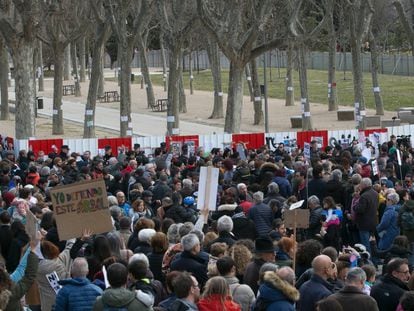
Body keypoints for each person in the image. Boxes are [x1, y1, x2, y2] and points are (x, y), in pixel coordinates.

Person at [354, 178, 378, 253]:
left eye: (361, 184)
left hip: (364, 223)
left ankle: (368, 260)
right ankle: (374, 259)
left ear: (364, 185)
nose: (360, 186)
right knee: (372, 243)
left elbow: (360, 209)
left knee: (366, 244)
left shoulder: (364, 196)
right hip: (373, 221)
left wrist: (355, 206)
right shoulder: (375, 193)